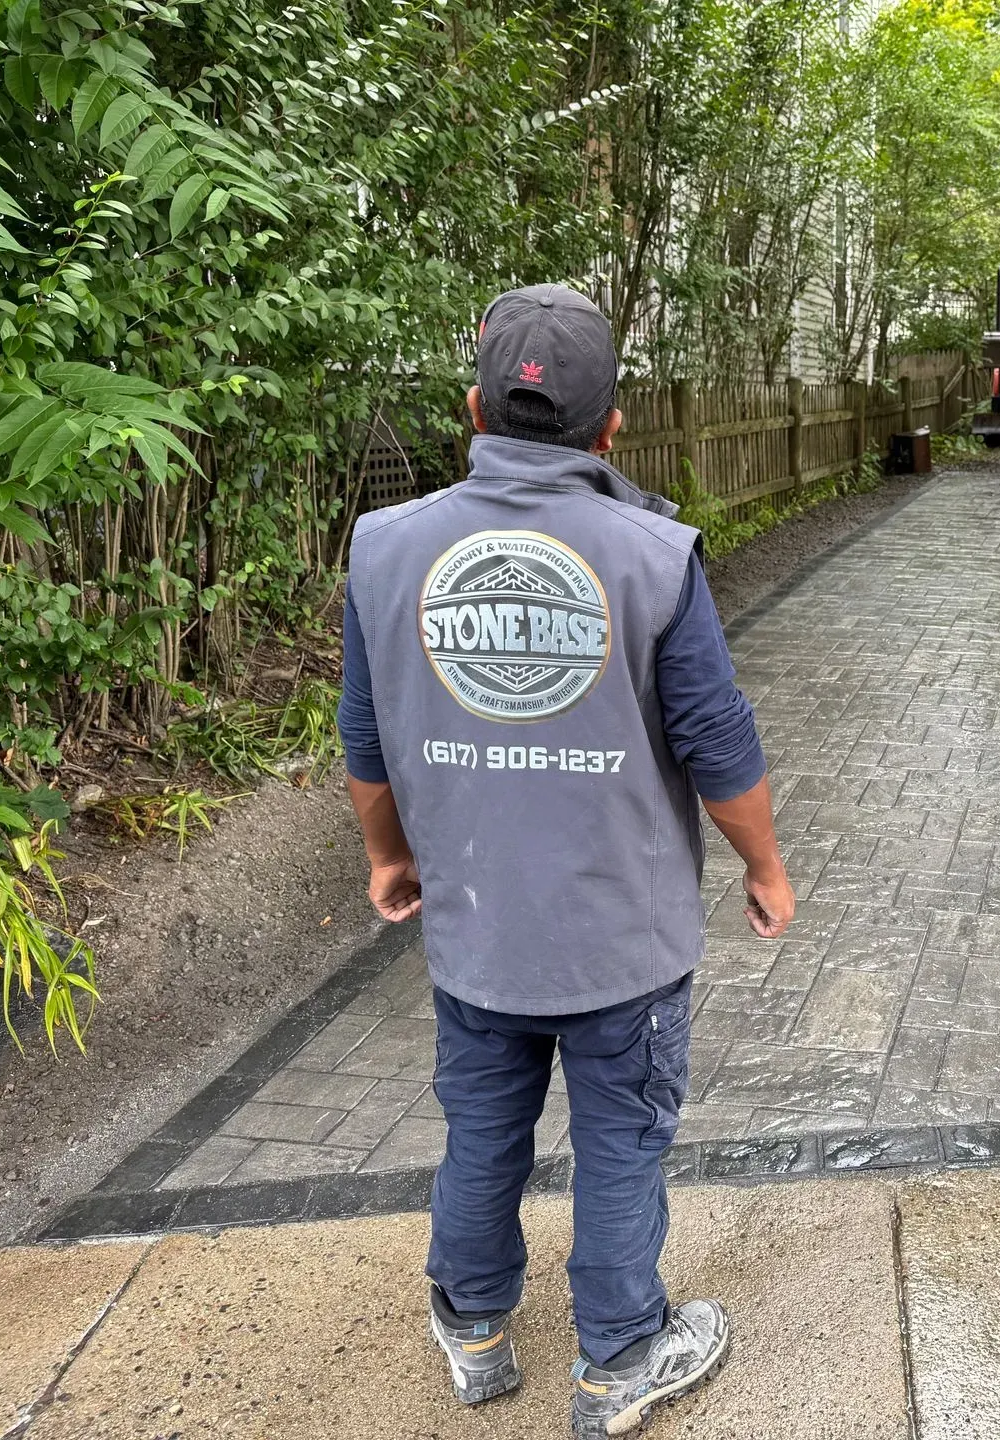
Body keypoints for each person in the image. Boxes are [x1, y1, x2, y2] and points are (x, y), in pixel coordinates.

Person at [336, 283, 795, 1437]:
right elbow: (719, 744)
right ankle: (622, 1356)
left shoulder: (387, 550)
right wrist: (766, 868)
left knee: (482, 1128)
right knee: (623, 1142)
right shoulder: (651, 553)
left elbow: (366, 738)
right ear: (613, 427)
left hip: (478, 934)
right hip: (621, 946)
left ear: (471, 409)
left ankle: (476, 1328)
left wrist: (389, 859)